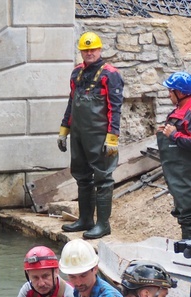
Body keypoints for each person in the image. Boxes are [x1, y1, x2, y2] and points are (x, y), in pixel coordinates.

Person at [57, 31, 124, 239]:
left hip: (99, 135)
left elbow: (115, 107)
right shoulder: (76, 73)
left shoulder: (110, 74)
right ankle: (85, 219)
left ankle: (103, 224)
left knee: (103, 178)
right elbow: (71, 102)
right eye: (85, 50)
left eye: (92, 49)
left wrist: (112, 137)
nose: (89, 53)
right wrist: (64, 130)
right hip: (78, 134)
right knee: (82, 176)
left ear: (100, 49)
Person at [157, 71, 191, 240]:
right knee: (185, 215)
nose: (168, 95)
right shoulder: (183, 108)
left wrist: (174, 135)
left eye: (170, 90)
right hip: (183, 176)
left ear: (179, 92)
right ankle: (190, 250)